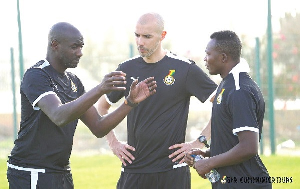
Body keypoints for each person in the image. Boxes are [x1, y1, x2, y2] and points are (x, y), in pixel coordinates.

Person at [6, 22, 157, 189]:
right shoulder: (37, 75)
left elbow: (98, 127)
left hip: (60, 172)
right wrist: (100, 89)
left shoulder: (74, 82)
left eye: (81, 47)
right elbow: (58, 115)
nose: (80, 53)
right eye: (74, 47)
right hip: (32, 171)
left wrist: (129, 103)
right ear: (55, 45)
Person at [97, 12, 217, 189]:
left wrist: (199, 141)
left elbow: (222, 104)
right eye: (137, 35)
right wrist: (113, 143)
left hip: (173, 171)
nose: (140, 42)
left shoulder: (184, 69)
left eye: (147, 36)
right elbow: (101, 107)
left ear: (162, 36)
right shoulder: (126, 69)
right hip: (134, 170)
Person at [184, 30, 272, 189]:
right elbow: (231, 141)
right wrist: (206, 154)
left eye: (208, 54)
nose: (205, 58)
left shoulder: (240, 90)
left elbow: (248, 147)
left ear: (223, 57)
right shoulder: (227, 84)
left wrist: (209, 163)